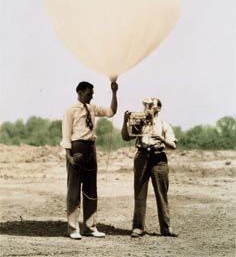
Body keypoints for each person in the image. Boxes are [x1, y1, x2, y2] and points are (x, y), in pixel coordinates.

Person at [61, 80, 118, 239]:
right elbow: (66, 134)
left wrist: (114, 92)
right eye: (89, 93)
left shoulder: (93, 108)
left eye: (92, 93)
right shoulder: (70, 110)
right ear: (79, 93)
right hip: (76, 149)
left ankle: (90, 227)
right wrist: (69, 156)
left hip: (91, 149)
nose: (92, 96)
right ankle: (73, 229)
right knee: (73, 190)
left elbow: (111, 111)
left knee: (91, 190)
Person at [121, 98, 178, 238]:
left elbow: (173, 145)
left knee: (161, 194)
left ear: (158, 108)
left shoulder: (164, 125)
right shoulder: (139, 123)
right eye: (145, 105)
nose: (147, 107)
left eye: (150, 105)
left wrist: (162, 139)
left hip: (159, 158)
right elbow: (125, 137)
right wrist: (125, 121)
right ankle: (138, 227)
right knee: (139, 192)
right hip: (142, 156)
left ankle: (166, 228)